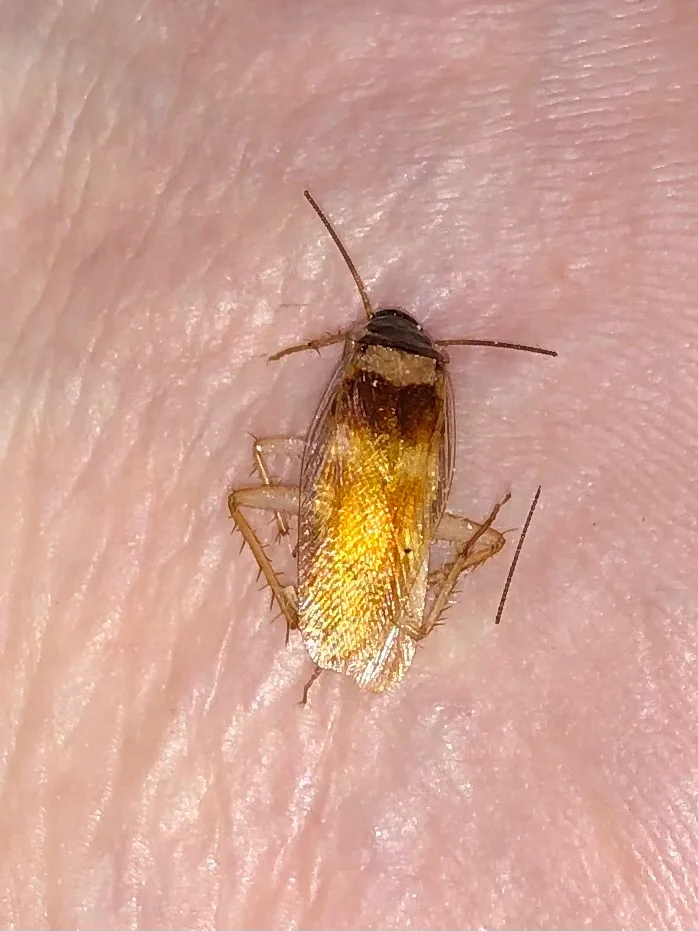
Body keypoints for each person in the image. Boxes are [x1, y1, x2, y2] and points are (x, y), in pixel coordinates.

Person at [1, 2, 695, 927]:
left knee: (259, 490)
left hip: (354, 521)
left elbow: (278, 460)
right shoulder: (432, 389)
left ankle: (328, 621)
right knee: (442, 536)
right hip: (394, 531)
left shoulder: (367, 376)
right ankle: (364, 619)